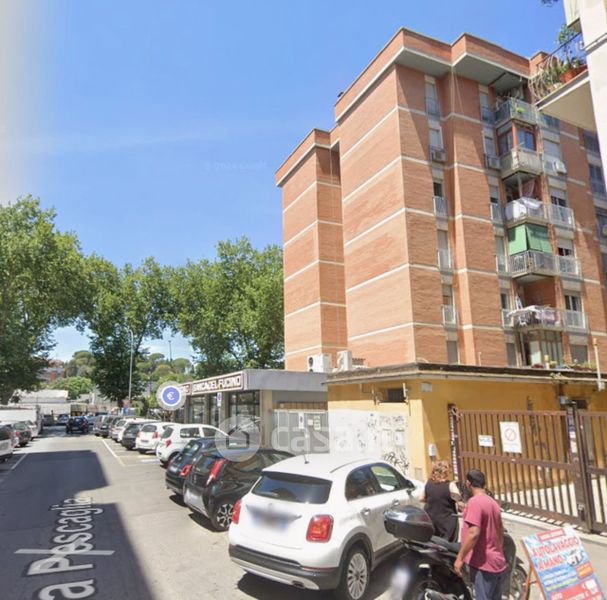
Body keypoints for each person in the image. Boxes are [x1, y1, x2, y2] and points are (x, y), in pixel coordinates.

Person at [454, 469, 508, 600]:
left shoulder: (475, 502)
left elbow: (473, 533)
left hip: (483, 564)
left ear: (468, 483)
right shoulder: (493, 503)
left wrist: (460, 558)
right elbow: (500, 532)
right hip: (497, 561)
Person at [420, 460, 460, 542]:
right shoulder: (450, 485)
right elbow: (458, 499)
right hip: (447, 522)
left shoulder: (428, 482)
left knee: (434, 542)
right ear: (446, 472)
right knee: (448, 545)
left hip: (431, 519)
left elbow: (421, 498)